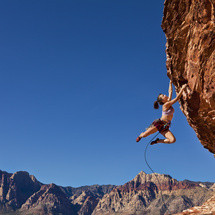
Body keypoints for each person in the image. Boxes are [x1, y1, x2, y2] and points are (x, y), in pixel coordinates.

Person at [136, 80, 187, 145]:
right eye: (163, 95)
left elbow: (170, 92)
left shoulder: (168, 102)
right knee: (145, 135)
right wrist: (182, 88)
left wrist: (170, 83)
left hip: (166, 126)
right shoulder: (165, 105)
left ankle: (157, 141)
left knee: (172, 140)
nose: (165, 95)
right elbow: (177, 98)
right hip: (160, 123)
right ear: (163, 100)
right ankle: (140, 135)